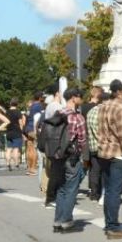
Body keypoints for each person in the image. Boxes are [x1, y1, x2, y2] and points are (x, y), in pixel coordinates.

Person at [97, 79, 122, 240]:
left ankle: (109, 223)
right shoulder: (121, 108)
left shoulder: (103, 106)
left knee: (108, 190)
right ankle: (113, 226)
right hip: (117, 153)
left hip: (104, 151)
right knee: (115, 191)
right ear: (120, 91)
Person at [52, 88, 86, 233]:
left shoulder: (57, 114)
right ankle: (67, 221)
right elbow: (83, 140)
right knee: (72, 189)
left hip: (57, 156)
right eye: (80, 96)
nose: (82, 99)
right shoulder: (77, 117)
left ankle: (58, 221)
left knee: (61, 189)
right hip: (72, 157)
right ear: (74, 98)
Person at [4, 98, 24, 170]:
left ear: (10, 103)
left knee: (9, 149)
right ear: (17, 104)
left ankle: (8, 163)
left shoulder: (7, 112)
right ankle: (16, 164)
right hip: (17, 132)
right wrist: (22, 132)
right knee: (16, 149)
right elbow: (20, 123)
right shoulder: (18, 112)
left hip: (9, 132)